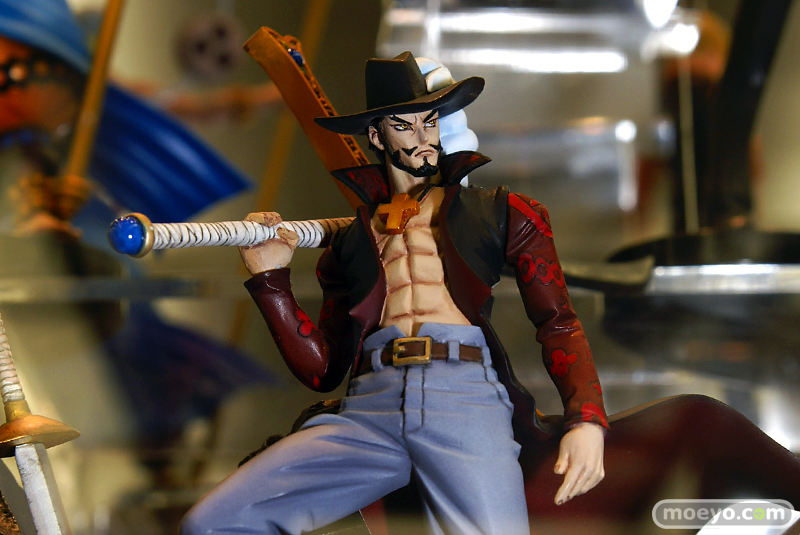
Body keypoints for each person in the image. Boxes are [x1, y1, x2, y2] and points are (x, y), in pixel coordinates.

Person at [182, 51, 608, 535]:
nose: (423, 138)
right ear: (376, 136)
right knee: (214, 522)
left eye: (430, 122)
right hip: (371, 407)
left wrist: (586, 418)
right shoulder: (352, 241)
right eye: (404, 126)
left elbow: (558, 322)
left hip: (462, 397)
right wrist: (270, 279)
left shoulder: (499, 211)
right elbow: (323, 370)